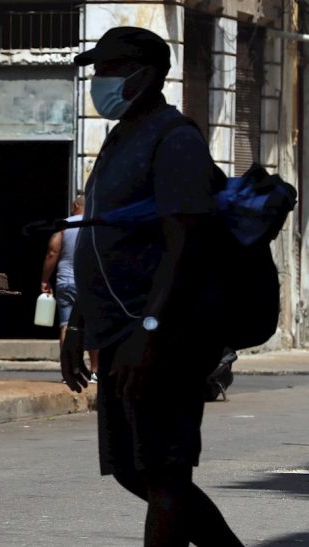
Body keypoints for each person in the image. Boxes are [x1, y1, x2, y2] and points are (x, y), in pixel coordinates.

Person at [61, 27, 243, 546]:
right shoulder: (120, 140)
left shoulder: (174, 138)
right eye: (99, 71)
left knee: (163, 471)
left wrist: (151, 331)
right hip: (118, 333)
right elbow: (100, 243)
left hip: (165, 335)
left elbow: (186, 244)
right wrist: (79, 325)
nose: (101, 82)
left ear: (148, 74)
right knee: (131, 468)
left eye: (112, 70)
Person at [40, 196, 99, 381]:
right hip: (90, 283)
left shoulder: (65, 225)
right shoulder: (96, 224)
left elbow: (52, 252)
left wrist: (44, 280)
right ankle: (95, 371)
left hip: (66, 281)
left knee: (66, 325)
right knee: (92, 325)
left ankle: (69, 370)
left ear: (75, 206)